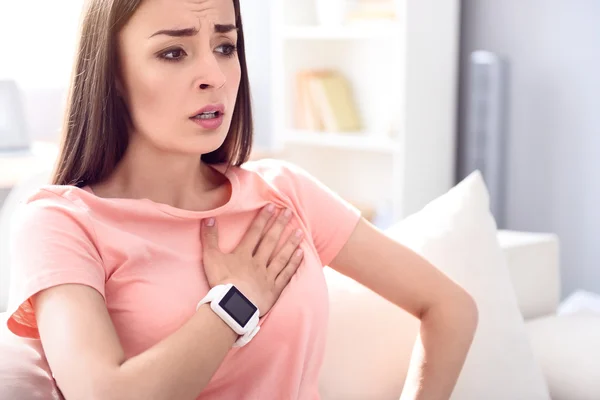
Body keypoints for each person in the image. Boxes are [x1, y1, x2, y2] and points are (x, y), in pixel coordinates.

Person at [5, 0, 478, 399]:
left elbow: (450, 307)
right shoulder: (61, 223)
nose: (214, 74)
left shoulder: (284, 192)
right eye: (173, 52)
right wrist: (236, 302)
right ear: (111, 75)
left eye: (225, 46)